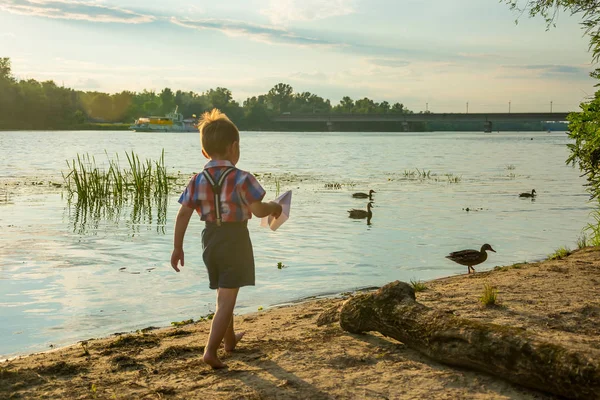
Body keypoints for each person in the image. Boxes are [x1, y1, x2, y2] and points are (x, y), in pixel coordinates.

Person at [170, 109, 282, 369]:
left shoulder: (197, 180)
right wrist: (275, 205)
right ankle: (210, 350)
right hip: (235, 239)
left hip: (209, 239)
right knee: (227, 299)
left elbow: (183, 213)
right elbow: (257, 211)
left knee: (224, 290)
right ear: (234, 148)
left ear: (204, 153)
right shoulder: (243, 178)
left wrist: (177, 247)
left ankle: (229, 340)